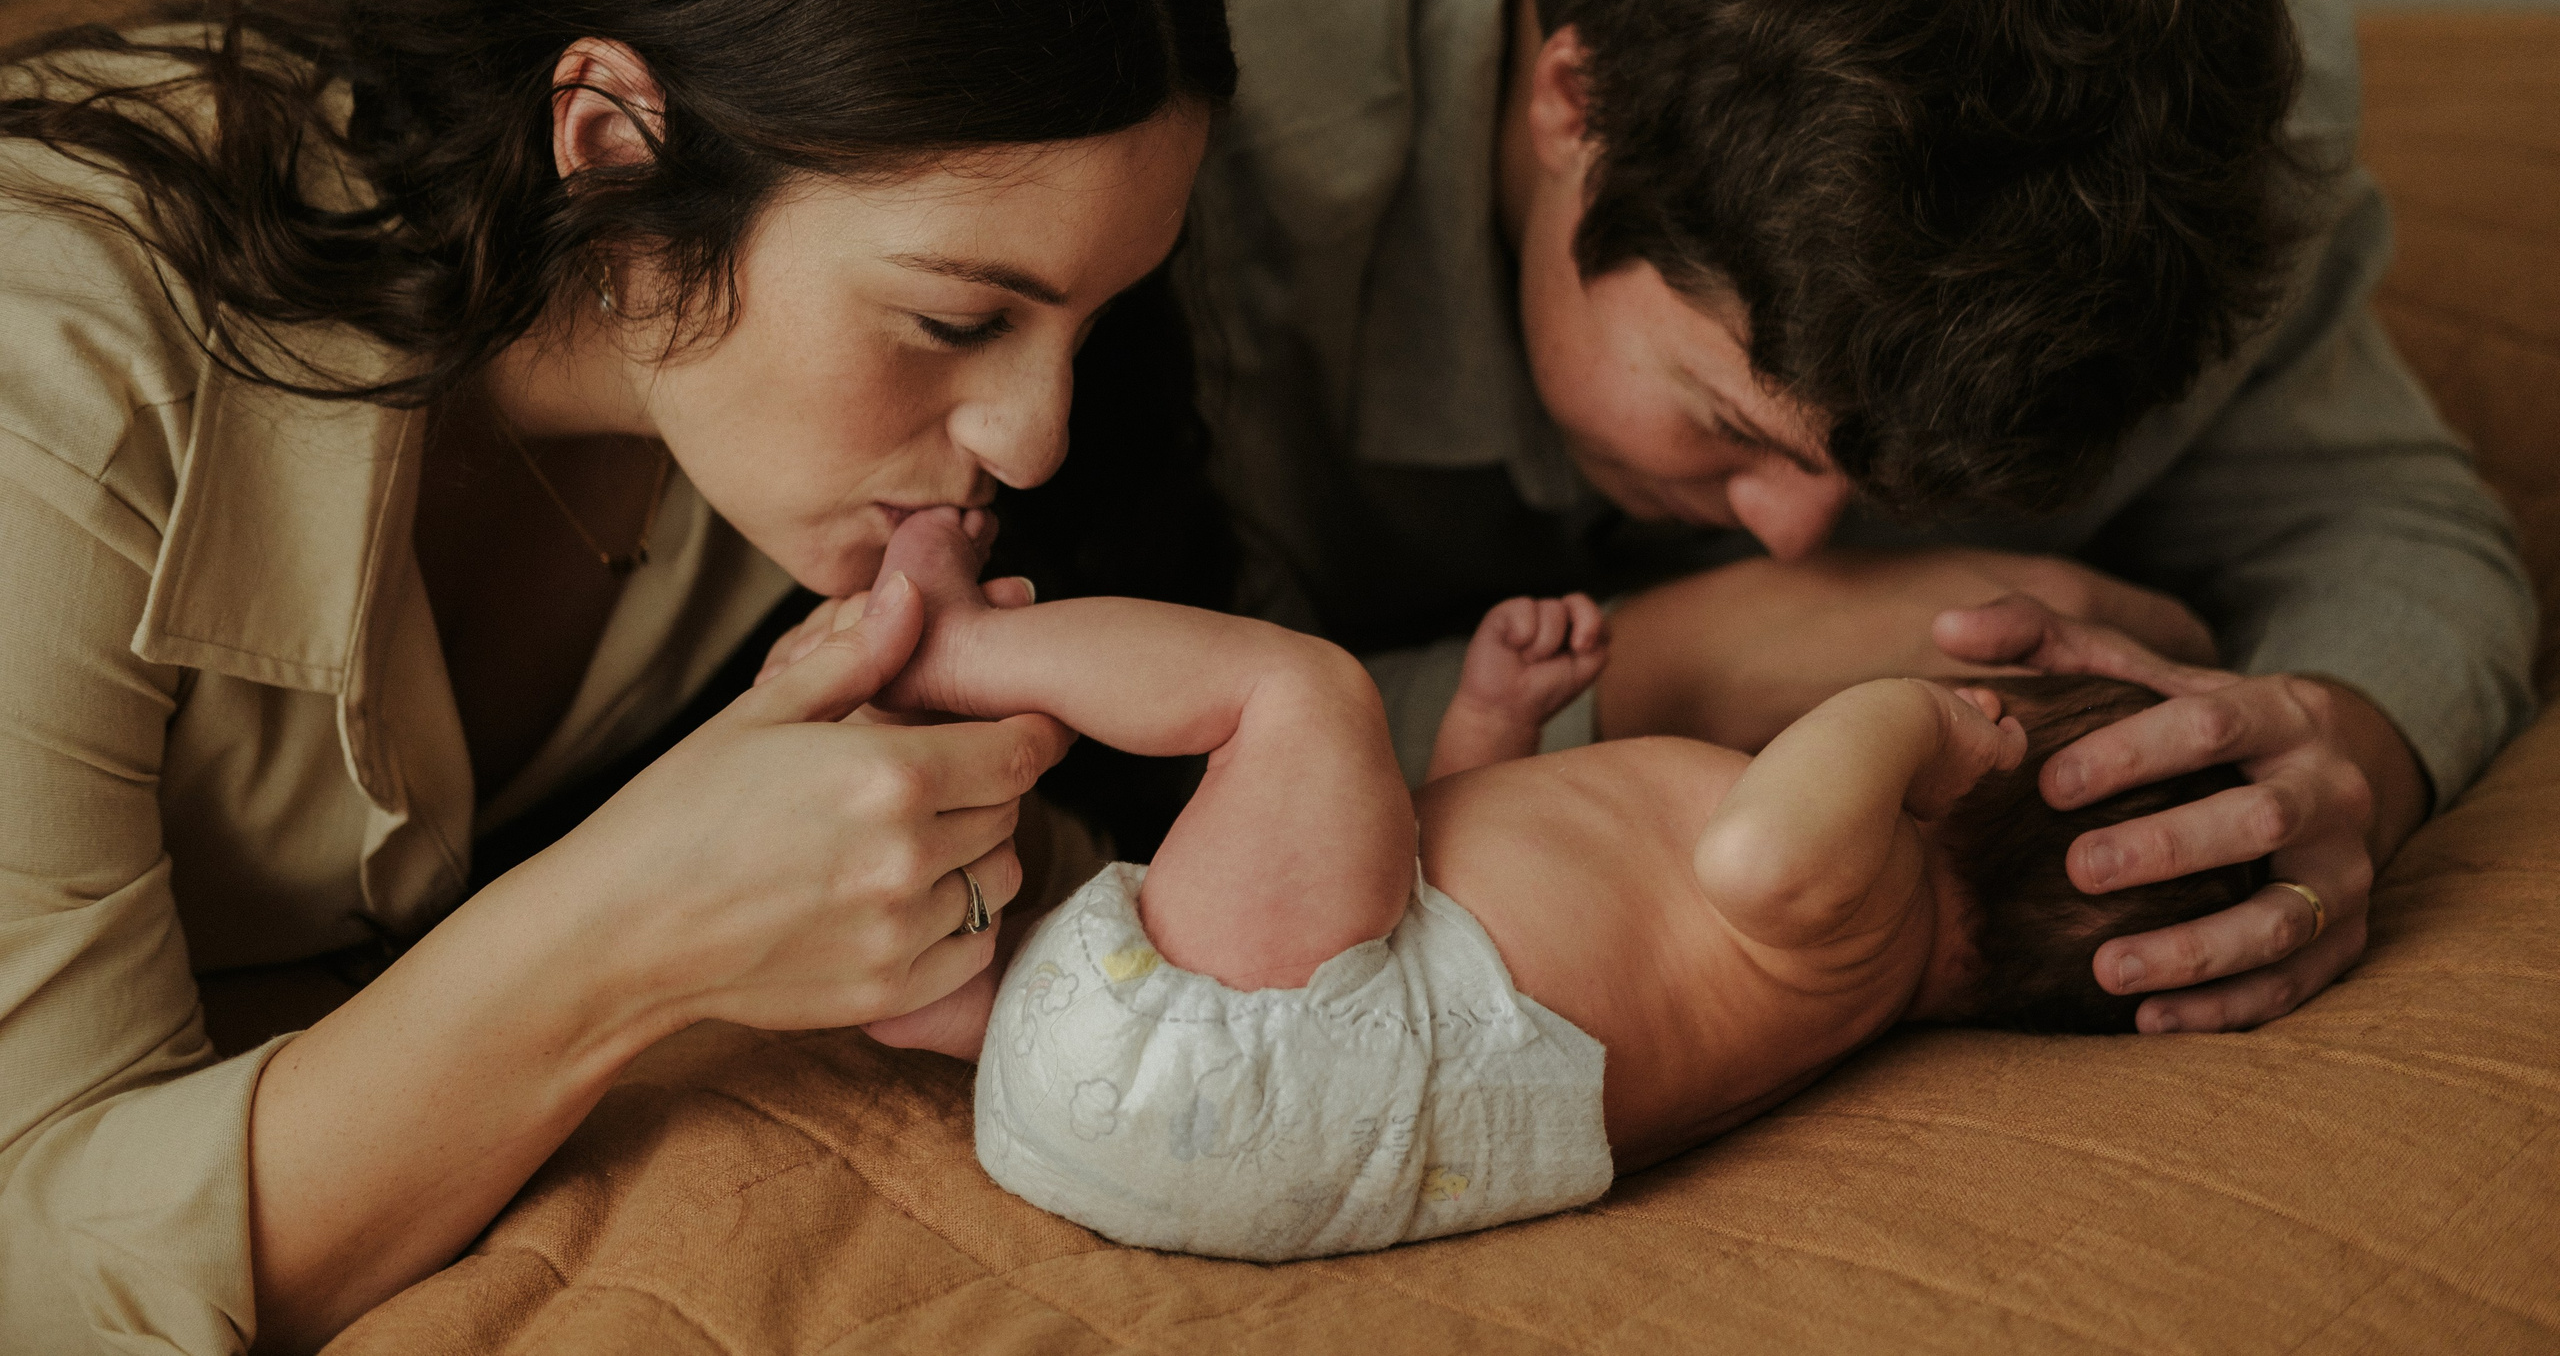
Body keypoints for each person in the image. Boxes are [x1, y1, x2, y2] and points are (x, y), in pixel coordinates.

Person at [0, 0, 1234, 1348]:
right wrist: (627, 934)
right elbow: (39, 1267)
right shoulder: (54, 385)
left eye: (1092, 318)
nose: (1032, 438)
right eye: (958, 318)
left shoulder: (799, 441)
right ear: (611, 148)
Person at [1123, 0, 2535, 1036]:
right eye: (1730, 425)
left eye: (1887, 492)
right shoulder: (1146, 126)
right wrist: (1675, 665)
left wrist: (2334, 752)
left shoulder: (2173, 170)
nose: (1802, 542)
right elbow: (1085, 741)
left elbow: (2401, 533)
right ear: (1577, 102)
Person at [837, 507, 2264, 1261]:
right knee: (1299, 844)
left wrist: (1919, 717)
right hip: (1226, 1108)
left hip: (1266, 1054)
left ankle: (954, 647)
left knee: (1302, 697)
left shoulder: (1866, 906)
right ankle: (945, 1000)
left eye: (1997, 697)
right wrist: (1497, 723)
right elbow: (1459, 892)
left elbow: (1764, 841)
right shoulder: (1797, 978)